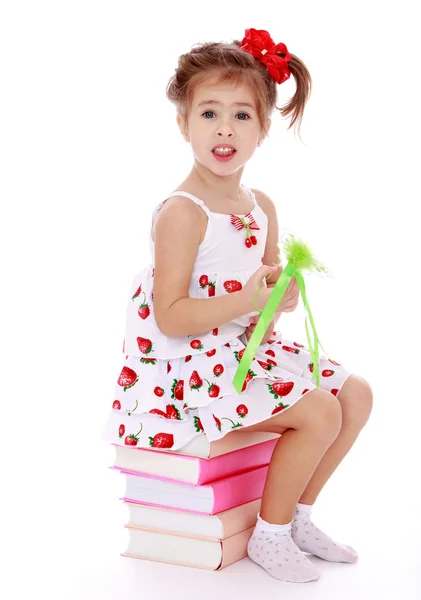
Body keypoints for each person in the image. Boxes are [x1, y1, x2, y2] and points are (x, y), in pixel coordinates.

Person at [103, 28, 373, 583]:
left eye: (241, 116)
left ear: (262, 130)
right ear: (183, 124)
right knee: (320, 410)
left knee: (357, 394)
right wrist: (241, 302)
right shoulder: (183, 212)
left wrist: (279, 298)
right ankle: (266, 537)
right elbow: (171, 315)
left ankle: (297, 516)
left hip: (246, 348)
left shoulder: (262, 205)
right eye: (208, 113)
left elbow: (263, 300)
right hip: (193, 363)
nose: (224, 128)